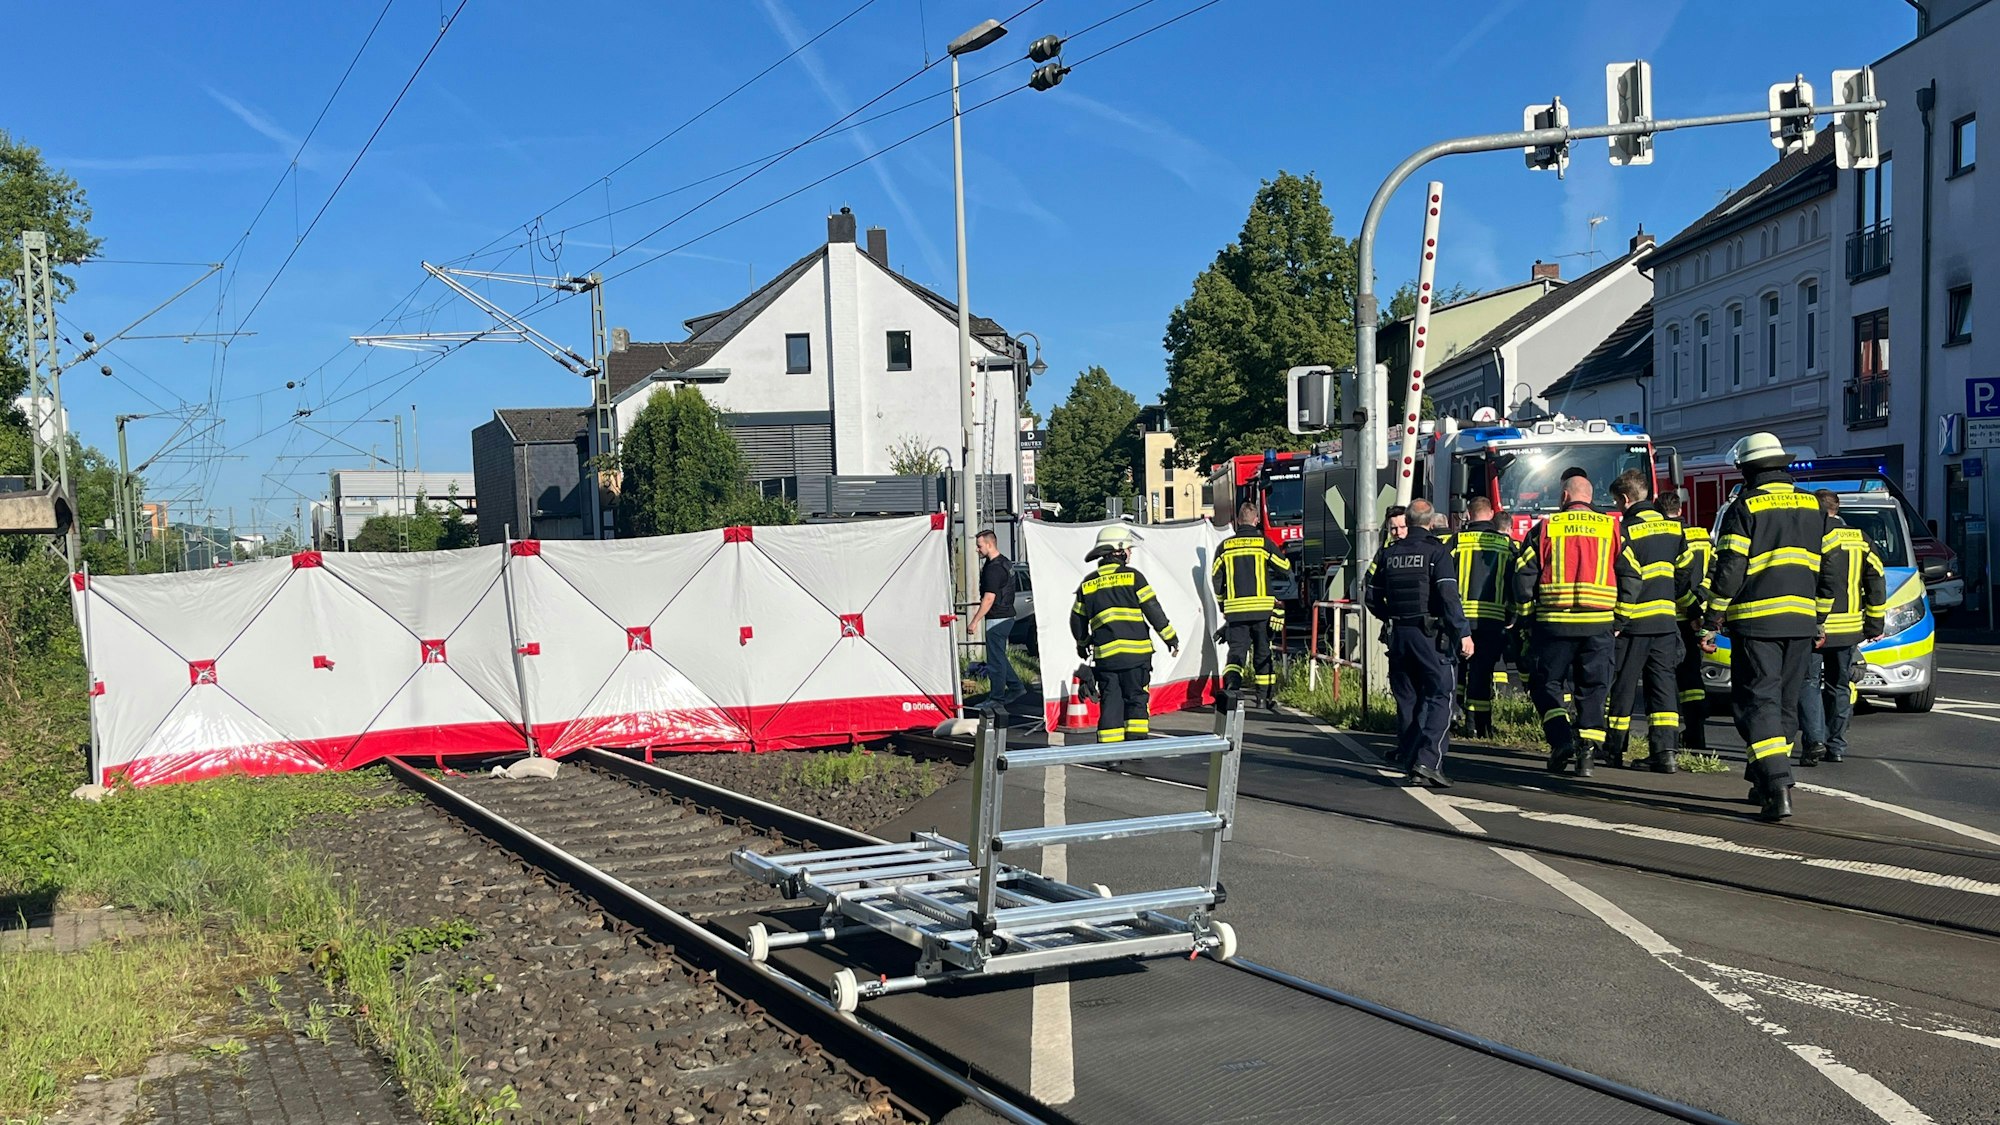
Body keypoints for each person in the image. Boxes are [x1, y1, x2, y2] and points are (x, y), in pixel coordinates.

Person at [1705, 432, 1837, 821]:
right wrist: (1818, 618)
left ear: (1747, 469)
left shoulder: (1744, 506)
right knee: (1784, 703)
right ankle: (1762, 779)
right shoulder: (1814, 507)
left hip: (1756, 623)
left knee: (1757, 703)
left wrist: (1713, 615)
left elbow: (1730, 569)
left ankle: (1778, 783)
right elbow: (1831, 571)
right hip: (1800, 624)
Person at [1515, 474, 1618, 776]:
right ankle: (1587, 754)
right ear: (1591, 497)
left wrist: (1525, 616)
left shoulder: (1546, 528)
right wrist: (1620, 618)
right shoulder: (1611, 527)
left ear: (1563, 497)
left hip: (1554, 624)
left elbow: (1523, 575)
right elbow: (1631, 574)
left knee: (1545, 683)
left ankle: (1561, 740)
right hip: (1599, 624)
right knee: (1594, 688)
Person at [1365, 500, 1472, 787]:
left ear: (1408, 521)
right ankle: (1428, 762)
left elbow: (1371, 596)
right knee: (1441, 696)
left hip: (1399, 634)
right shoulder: (1437, 551)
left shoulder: (1388, 554)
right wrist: (1463, 633)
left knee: (1408, 700)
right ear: (1430, 521)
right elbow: (1449, 596)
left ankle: (1411, 760)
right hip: (1430, 636)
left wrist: (1391, 617)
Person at [1605, 470, 1689, 773]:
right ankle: (1665, 752)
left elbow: (1624, 578)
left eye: (1617, 501)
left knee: (1624, 687)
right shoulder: (1674, 530)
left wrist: (1618, 619)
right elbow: (1684, 573)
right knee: (1664, 687)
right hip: (1666, 621)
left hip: (1633, 623)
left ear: (1625, 499)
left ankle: (1614, 748)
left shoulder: (1624, 531)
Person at [1797, 490, 1885, 765]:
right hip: (1848, 628)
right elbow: (1877, 579)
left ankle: (1815, 742)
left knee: (1808, 683)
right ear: (1838, 508)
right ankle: (1836, 747)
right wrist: (1874, 623)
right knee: (1840, 685)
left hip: (1815, 626)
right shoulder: (1860, 538)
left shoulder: (1812, 537)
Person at [1071, 526, 1180, 744]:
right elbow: (1152, 609)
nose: (1130, 553)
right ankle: (1136, 748)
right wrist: (1170, 638)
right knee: (1137, 699)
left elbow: (1077, 620)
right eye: (1128, 549)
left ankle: (1111, 754)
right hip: (1136, 655)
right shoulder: (1133, 577)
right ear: (1118, 550)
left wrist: (1082, 644)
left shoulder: (1088, 583)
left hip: (1107, 659)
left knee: (1111, 701)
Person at [1446, 495, 1516, 738]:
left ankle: (1452, 716)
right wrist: (1513, 612)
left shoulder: (1455, 541)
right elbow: (1515, 581)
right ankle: (1479, 725)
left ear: (1468, 513)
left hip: (1460, 619)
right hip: (1492, 619)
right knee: (1482, 673)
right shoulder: (1505, 544)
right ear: (1491, 514)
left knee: (1457, 670)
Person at [1213, 502, 1292, 710]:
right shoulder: (1263, 543)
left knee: (1236, 653)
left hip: (1235, 612)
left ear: (1238, 521)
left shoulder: (1224, 547)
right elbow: (1285, 568)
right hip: (1262, 611)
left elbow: (1216, 579)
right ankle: (1263, 699)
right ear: (1256, 520)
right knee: (1262, 653)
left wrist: (1223, 605)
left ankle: (1232, 689)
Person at [1660, 491, 1713, 751]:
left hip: (1671, 617)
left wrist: (1688, 604)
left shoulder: (1664, 537)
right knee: (1693, 679)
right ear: (1680, 510)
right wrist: (1700, 599)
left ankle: (1666, 740)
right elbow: (1714, 570)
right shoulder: (1702, 537)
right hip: (1696, 617)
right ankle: (1696, 734)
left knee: (1665, 679)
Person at [969, 530, 1023, 707]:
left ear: (989, 544)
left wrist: (975, 620)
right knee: (998, 656)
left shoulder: (993, 568)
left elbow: (989, 598)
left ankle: (996, 698)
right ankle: (1015, 687)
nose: (977, 550)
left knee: (995, 660)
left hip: (997, 617)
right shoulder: (1006, 563)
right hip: (1007, 615)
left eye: (979, 546)